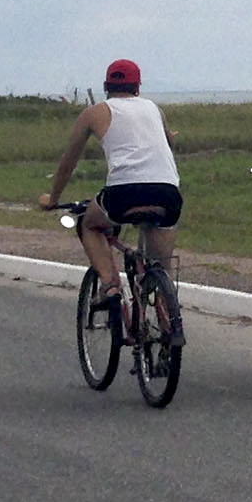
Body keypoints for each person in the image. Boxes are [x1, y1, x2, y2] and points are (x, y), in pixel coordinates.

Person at [39, 58, 184, 327]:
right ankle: (167, 324)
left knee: (89, 224)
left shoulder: (94, 112)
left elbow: (68, 161)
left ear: (106, 86)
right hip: (167, 194)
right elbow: (169, 141)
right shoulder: (154, 109)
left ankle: (109, 284)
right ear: (138, 87)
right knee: (159, 267)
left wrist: (53, 199)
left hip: (123, 194)